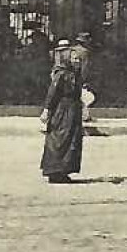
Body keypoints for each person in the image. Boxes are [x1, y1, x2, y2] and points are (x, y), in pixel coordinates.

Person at [40, 40, 84, 184]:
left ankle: (64, 170)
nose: (77, 61)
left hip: (72, 110)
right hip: (62, 110)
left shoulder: (74, 74)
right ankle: (55, 171)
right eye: (74, 58)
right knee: (59, 139)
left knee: (71, 139)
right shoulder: (61, 74)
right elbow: (52, 93)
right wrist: (46, 110)